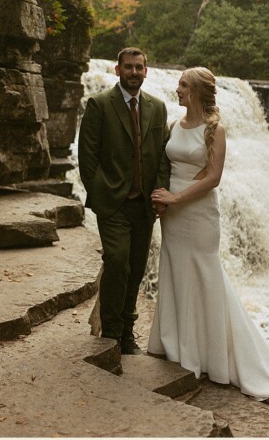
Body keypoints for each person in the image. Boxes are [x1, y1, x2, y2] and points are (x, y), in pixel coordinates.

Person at [148, 67, 269, 421]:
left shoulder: (214, 129)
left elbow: (213, 177)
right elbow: (166, 165)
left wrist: (176, 199)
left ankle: (209, 356)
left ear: (196, 92)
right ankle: (175, 345)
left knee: (205, 276)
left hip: (198, 214)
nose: (177, 90)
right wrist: (162, 199)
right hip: (172, 215)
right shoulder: (174, 127)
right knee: (175, 269)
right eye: (178, 84)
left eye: (183, 85)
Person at [77, 47, 170, 354]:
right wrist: (102, 194)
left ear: (146, 71)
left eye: (139, 67)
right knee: (117, 261)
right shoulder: (100, 104)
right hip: (113, 203)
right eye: (128, 67)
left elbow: (161, 158)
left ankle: (127, 331)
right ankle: (111, 333)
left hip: (144, 205)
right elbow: (87, 157)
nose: (133, 72)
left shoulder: (157, 108)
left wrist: (158, 193)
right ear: (117, 70)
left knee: (136, 266)